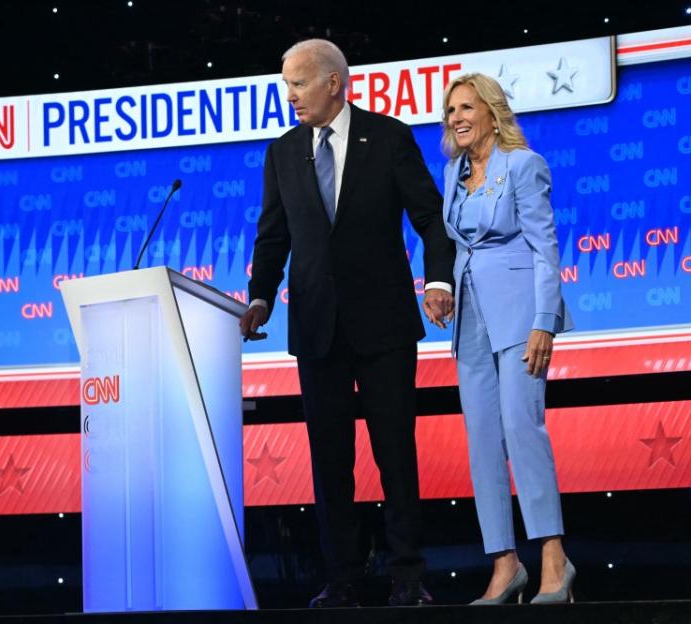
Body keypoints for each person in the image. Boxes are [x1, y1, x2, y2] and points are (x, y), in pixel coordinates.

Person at [240, 38, 455, 608]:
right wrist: (261, 296)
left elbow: (430, 217)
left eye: (299, 83)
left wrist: (438, 281)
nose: (290, 97)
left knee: (395, 452)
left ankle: (407, 576)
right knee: (330, 458)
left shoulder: (388, 137)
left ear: (333, 82)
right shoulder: (282, 152)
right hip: (315, 325)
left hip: (383, 321)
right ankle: (342, 578)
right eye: (286, 85)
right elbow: (273, 236)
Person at [436, 72, 576, 604]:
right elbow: (458, 247)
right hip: (471, 318)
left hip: (521, 314)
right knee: (481, 443)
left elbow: (546, 247)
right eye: (451, 111)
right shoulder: (452, 172)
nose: (458, 118)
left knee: (523, 428)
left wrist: (546, 318)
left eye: (467, 107)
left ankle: (553, 560)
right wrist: (443, 289)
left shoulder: (524, 165)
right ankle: (504, 562)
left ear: (493, 112)